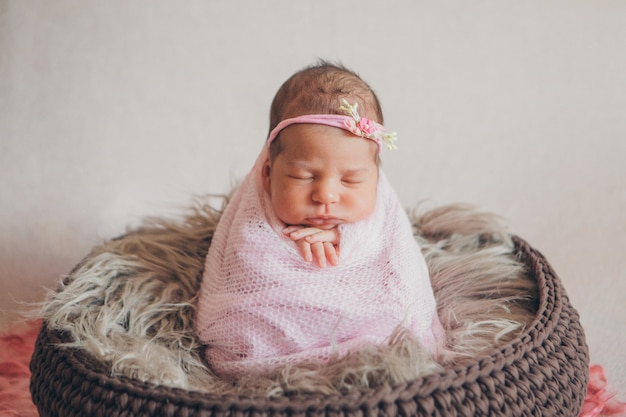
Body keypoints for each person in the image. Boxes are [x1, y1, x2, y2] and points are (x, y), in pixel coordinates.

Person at [195, 61, 444, 378]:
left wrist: (349, 238)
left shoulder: (381, 219)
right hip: (269, 347)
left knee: (398, 315)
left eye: (351, 181)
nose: (326, 195)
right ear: (269, 175)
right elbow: (240, 282)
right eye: (303, 176)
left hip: (372, 342)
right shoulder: (251, 225)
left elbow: (395, 266)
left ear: (377, 181)